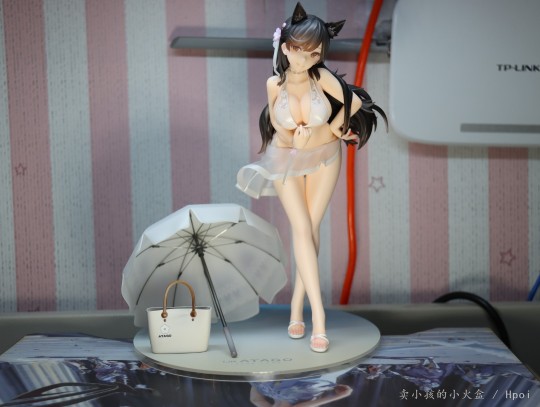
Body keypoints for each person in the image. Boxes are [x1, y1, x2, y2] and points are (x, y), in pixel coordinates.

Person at [236, 2, 386, 353]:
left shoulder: (322, 79)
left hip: (325, 157)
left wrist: (335, 127)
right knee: (302, 229)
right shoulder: (274, 85)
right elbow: (278, 129)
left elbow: (352, 104)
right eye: (297, 49)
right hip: (286, 160)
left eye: (314, 53)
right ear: (284, 46)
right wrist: (294, 139)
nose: (304, 59)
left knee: (311, 229)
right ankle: (318, 317)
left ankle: (296, 309)